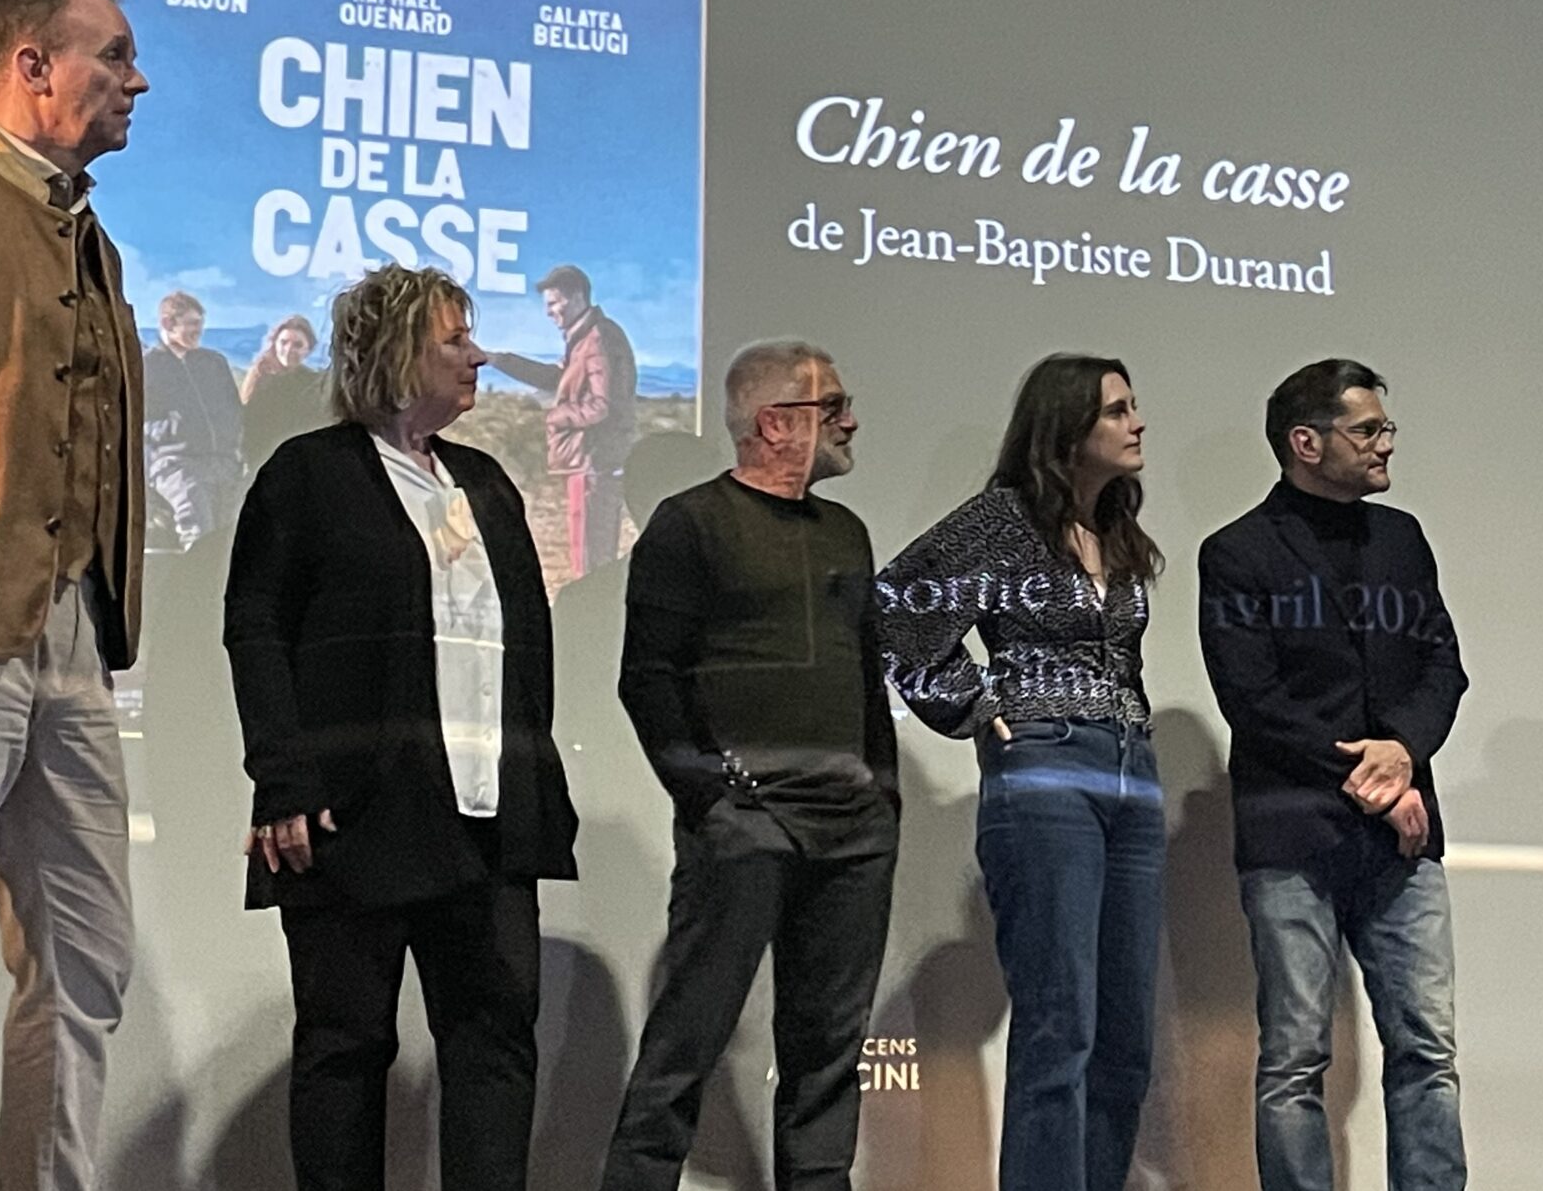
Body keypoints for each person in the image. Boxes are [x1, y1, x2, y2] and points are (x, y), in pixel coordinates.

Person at [224, 263, 579, 1191]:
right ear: (391, 353)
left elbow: (527, 642)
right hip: (356, 817)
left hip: (487, 818)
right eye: (454, 339)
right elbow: (255, 629)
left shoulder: (486, 482)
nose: (478, 356)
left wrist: (534, 780)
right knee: (346, 1044)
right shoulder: (308, 474)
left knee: (495, 1041)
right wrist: (283, 779)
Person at [0, 0, 147, 1191]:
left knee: (85, 961)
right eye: (113, 55)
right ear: (32, 65)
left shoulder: (91, 236)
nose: (135, 81)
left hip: (73, 635)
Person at [603, 342, 897, 1191]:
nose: (850, 421)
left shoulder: (847, 532)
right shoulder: (690, 522)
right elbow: (647, 677)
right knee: (685, 1045)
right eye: (832, 405)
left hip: (853, 834)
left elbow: (867, 678)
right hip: (746, 828)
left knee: (829, 1053)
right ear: (775, 423)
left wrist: (883, 796)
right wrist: (711, 800)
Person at [877, 355, 1164, 1191]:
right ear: (1066, 429)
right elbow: (896, 604)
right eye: (1117, 409)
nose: (1137, 422)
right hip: (1046, 772)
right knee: (1059, 1028)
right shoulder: (1004, 520)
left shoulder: (1115, 526)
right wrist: (970, 703)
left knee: (1124, 1041)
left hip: (1132, 772)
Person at [1197, 359, 1470, 1191]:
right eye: (1368, 429)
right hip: (1292, 830)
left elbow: (1443, 666)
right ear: (1305, 443)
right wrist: (1378, 780)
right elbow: (1254, 699)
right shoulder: (1237, 552)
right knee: (1295, 1054)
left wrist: (1403, 751)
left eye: (1386, 428)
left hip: (1403, 839)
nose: (1386, 443)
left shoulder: (1402, 538)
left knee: (1427, 1048)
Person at [486, 263, 638, 580]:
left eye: (555, 303)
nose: (549, 312)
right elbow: (555, 377)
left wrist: (555, 415)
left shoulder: (596, 340)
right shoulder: (586, 339)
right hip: (591, 465)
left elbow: (601, 405)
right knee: (590, 561)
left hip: (593, 465)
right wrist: (499, 360)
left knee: (590, 565)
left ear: (578, 296)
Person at [144, 289, 245, 548]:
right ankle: (198, 566)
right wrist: (175, 428)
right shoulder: (147, 366)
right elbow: (138, 421)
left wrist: (232, 438)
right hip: (174, 463)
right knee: (197, 526)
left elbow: (233, 408)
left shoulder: (214, 362)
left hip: (222, 461)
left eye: (200, 323)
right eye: (191, 323)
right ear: (168, 323)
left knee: (236, 532)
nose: (198, 330)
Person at [241, 312, 326, 470]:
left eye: (297, 345)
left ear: (308, 349)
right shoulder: (260, 379)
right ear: (274, 343)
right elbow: (248, 427)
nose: (288, 349)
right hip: (263, 464)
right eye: (284, 342)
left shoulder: (313, 383)